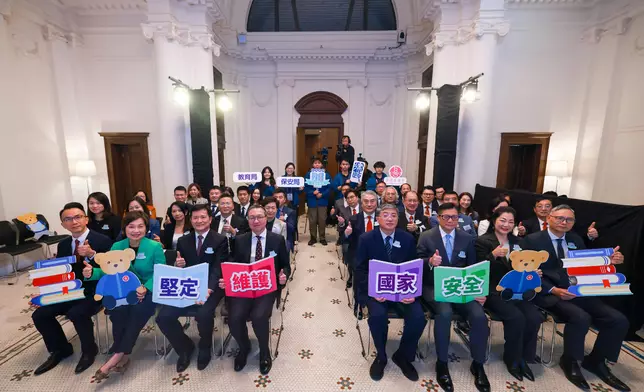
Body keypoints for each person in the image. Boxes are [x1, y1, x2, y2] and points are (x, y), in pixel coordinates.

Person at [521, 205, 629, 391]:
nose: (564, 222)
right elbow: (527, 274)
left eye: (569, 220)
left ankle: (596, 361)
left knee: (618, 320)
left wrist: (608, 262)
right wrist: (554, 289)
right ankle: (570, 361)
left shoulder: (576, 239)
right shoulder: (531, 240)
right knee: (580, 317)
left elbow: (586, 266)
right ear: (549, 219)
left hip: (577, 291)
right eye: (560, 218)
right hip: (548, 293)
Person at [31, 202, 113, 376]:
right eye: (68, 219)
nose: (74, 222)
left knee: (77, 313)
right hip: (68, 291)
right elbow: (61, 273)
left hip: (95, 290)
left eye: (77, 217)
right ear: (62, 224)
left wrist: (92, 255)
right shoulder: (63, 245)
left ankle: (89, 350)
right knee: (40, 314)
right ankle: (60, 349)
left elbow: (113, 268)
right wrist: (47, 291)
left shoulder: (102, 240)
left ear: (86, 219)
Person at [417, 202, 490, 392]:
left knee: (479, 316)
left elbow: (474, 267)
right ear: (438, 218)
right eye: (446, 217)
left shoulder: (467, 238)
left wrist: (478, 290)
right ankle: (442, 363)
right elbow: (417, 264)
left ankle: (478, 363)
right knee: (445, 313)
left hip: (462, 287)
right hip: (434, 286)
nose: (450, 220)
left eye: (454, 217)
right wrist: (430, 262)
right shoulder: (426, 237)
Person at [85, 211, 164, 380]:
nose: (136, 230)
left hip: (149, 291)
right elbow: (109, 270)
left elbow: (160, 273)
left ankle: (116, 356)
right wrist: (92, 272)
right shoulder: (117, 246)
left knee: (137, 311)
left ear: (146, 228)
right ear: (125, 228)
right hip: (124, 291)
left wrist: (146, 287)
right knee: (118, 312)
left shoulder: (154, 246)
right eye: (131, 226)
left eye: (140, 226)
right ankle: (124, 354)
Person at [354, 204, 426, 381]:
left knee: (418, 317)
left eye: (393, 215)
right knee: (377, 316)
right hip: (377, 291)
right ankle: (381, 356)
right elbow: (360, 269)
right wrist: (371, 291)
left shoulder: (407, 238)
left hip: (402, 290)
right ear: (377, 219)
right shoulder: (366, 238)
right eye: (385, 215)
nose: (389, 219)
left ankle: (403, 355)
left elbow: (414, 267)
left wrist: (413, 292)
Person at [219, 205, 290, 375]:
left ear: (266, 218)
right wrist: (226, 279)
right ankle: (244, 347)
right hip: (244, 286)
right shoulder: (240, 239)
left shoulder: (276, 239)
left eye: (259, 217)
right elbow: (232, 263)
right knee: (234, 317)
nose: (256, 221)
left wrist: (283, 275)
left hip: (266, 287)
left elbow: (285, 265)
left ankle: (264, 352)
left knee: (259, 316)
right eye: (252, 218)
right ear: (248, 220)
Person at [475, 207, 544, 382]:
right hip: (493, 291)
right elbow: (477, 269)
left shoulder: (519, 242)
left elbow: (526, 265)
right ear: (494, 220)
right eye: (502, 220)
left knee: (534, 317)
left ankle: (524, 357)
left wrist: (534, 273)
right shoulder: (483, 241)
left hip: (518, 291)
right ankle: (512, 359)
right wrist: (492, 255)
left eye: (510, 221)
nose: (506, 225)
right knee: (516, 317)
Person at [156, 204, 228, 372]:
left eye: (203, 217)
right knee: (163, 317)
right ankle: (184, 347)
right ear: (191, 220)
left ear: (210, 219)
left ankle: (205, 346)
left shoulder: (220, 240)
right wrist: (178, 264)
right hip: (187, 285)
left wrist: (209, 289)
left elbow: (218, 268)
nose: (199, 221)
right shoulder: (183, 240)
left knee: (203, 314)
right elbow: (181, 266)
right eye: (195, 218)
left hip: (212, 287)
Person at [339, 191, 378, 290]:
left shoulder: (382, 217)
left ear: (376, 202)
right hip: (359, 256)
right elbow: (343, 240)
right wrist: (347, 234)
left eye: (372, 201)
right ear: (362, 203)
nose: (369, 204)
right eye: (366, 201)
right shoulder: (354, 219)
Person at [304, 158, 332, 246]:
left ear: (321, 165)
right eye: (315, 163)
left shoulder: (326, 175)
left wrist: (322, 194)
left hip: (322, 201)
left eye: (318, 163)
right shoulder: (308, 175)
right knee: (312, 220)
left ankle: (322, 238)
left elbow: (329, 187)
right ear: (312, 165)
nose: (317, 164)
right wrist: (312, 192)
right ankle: (313, 238)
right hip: (312, 200)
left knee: (322, 220)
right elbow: (305, 187)